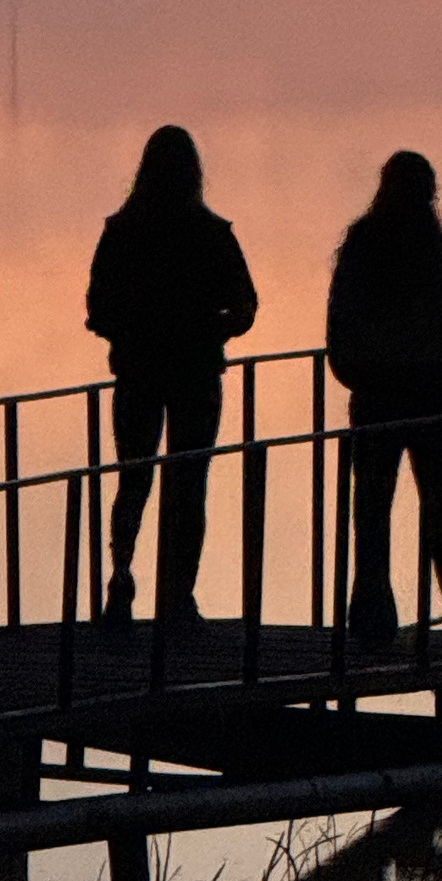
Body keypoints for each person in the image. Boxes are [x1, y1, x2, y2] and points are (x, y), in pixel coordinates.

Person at [84, 125, 258, 631]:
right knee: (189, 483)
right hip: (197, 372)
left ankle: (120, 580)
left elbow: (98, 306)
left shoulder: (121, 231)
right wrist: (218, 329)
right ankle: (178, 597)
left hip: (137, 372)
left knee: (133, 478)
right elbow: (246, 304)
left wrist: (125, 330)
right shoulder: (212, 233)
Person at [327, 149, 442, 651]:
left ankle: (372, 615)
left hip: (377, 395)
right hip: (437, 396)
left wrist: (355, 373)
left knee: (372, 508)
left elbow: (340, 324)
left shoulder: (361, 252)